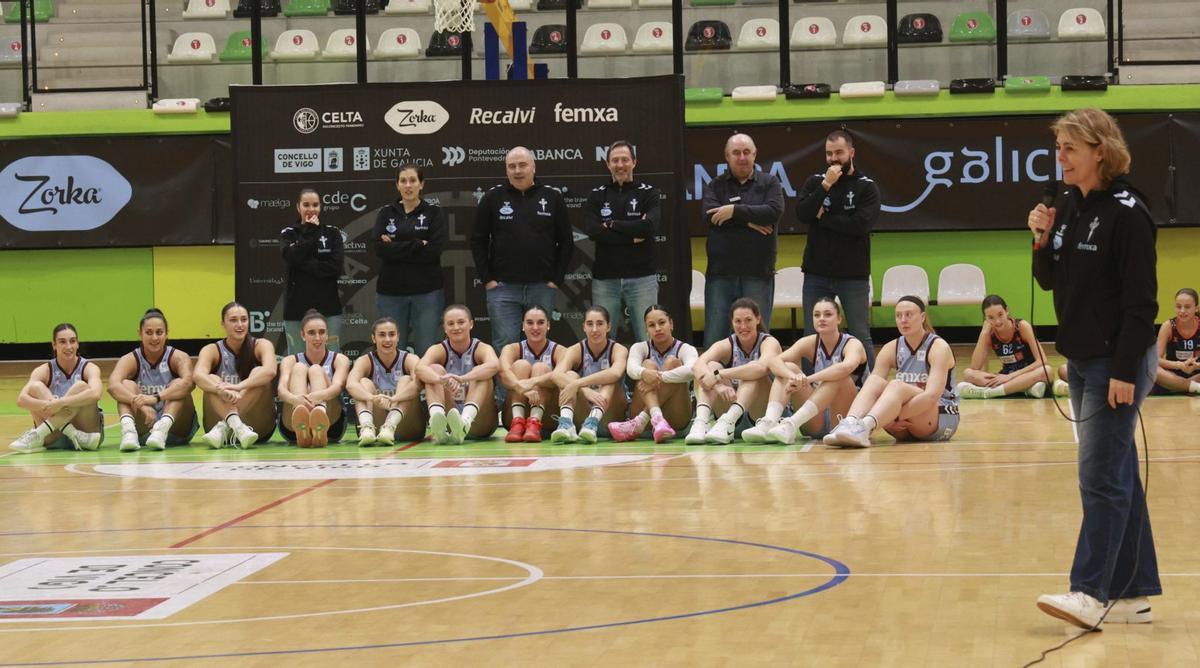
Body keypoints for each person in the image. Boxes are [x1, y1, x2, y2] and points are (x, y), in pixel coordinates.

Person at [1028, 108, 1161, 628]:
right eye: (1058, 148)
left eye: (1069, 149)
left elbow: (1141, 304)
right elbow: (1046, 279)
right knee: (1118, 472)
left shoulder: (1129, 212)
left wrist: (1126, 373)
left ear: (1099, 151)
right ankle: (1133, 593)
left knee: (1099, 478)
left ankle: (1090, 591)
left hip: (1117, 361)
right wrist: (1039, 236)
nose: (1059, 158)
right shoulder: (1067, 202)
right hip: (1080, 359)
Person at [471, 146, 574, 351]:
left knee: (538, 344)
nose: (517, 170)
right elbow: (478, 240)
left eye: (522, 165)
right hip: (503, 288)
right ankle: (505, 386)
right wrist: (488, 279)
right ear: (506, 170)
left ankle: (539, 384)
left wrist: (556, 279)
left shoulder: (552, 197)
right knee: (505, 343)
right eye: (512, 166)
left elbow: (566, 241)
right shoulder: (493, 198)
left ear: (533, 167)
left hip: (542, 287)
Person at [794, 129, 881, 367]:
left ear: (851, 153)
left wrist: (823, 218)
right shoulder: (815, 182)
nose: (834, 158)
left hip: (853, 274)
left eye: (839, 152)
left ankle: (869, 388)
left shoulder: (867, 187)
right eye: (829, 153)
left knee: (861, 334)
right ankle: (806, 389)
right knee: (811, 335)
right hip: (816, 272)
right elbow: (802, 213)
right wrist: (825, 185)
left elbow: (859, 226)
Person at [823, 296, 958, 447]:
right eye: (898, 315)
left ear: (922, 317)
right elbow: (871, 390)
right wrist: (888, 416)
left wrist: (893, 416)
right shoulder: (891, 348)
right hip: (903, 421)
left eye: (909, 314)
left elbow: (932, 396)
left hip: (939, 417)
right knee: (875, 381)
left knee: (895, 385)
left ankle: (865, 426)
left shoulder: (939, 347)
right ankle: (851, 422)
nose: (903, 320)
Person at [742, 297, 868, 445]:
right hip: (815, 418)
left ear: (839, 319)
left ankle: (792, 423)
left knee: (840, 377)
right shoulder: (810, 342)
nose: (821, 319)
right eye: (817, 315)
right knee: (788, 367)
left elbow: (845, 368)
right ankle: (769, 422)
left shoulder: (853, 344)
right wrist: (793, 377)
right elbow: (774, 361)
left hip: (845, 418)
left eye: (828, 314)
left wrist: (808, 379)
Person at [700, 133, 784, 348]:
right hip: (721, 275)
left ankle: (761, 381)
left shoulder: (770, 183)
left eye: (747, 152)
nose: (742, 157)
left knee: (758, 338)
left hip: (758, 273)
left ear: (755, 154)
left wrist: (734, 211)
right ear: (727, 156)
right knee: (715, 337)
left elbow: (773, 211)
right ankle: (713, 380)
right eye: (736, 153)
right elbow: (709, 215)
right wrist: (748, 221)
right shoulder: (716, 185)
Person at [585, 140, 662, 342]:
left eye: (625, 160)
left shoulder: (649, 193)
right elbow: (593, 232)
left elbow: (649, 227)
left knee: (648, 340)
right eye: (615, 160)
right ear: (608, 164)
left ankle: (647, 374)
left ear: (634, 162)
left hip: (642, 278)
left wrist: (612, 225)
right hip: (605, 279)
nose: (620, 165)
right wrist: (633, 234)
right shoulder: (596, 195)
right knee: (601, 341)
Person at [374, 164, 448, 355]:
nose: (408, 185)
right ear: (397, 185)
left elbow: (433, 251)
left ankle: (426, 386)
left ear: (421, 184)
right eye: (403, 181)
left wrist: (395, 247)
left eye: (413, 181)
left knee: (426, 349)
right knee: (393, 351)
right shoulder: (386, 213)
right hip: (391, 293)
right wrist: (416, 245)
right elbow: (379, 249)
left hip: (427, 293)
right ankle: (395, 386)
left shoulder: (434, 213)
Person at [688, 298, 782, 444]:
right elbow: (698, 365)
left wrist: (720, 375)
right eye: (738, 321)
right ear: (732, 322)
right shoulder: (727, 344)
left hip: (760, 418)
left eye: (748, 320)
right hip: (729, 416)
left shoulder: (769, 342)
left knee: (752, 370)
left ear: (758, 319)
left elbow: (760, 368)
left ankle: (730, 419)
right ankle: (701, 422)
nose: (743, 326)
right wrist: (718, 385)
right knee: (712, 365)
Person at [107, 309, 197, 451]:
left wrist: (155, 398)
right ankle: (129, 432)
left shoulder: (178, 356)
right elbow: (112, 386)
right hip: (145, 428)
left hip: (177, 429)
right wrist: (141, 404)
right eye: (149, 332)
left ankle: (162, 429)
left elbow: (189, 383)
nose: (154, 338)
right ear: (140, 334)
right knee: (125, 384)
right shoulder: (131, 359)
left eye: (159, 332)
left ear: (167, 333)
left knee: (178, 385)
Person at [193, 302, 278, 449]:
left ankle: (228, 424)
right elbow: (198, 376)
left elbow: (270, 371)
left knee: (259, 373)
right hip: (216, 424)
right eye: (233, 320)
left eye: (244, 320)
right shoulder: (211, 350)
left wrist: (238, 386)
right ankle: (235, 425)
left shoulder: (262, 345)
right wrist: (220, 389)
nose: (240, 324)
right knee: (212, 380)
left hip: (256, 427)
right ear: (223, 323)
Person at [609, 305, 699, 443]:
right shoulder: (639, 347)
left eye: (662, 322)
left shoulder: (686, 348)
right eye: (651, 325)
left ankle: (643, 420)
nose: (657, 328)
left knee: (672, 363)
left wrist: (660, 377)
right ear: (646, 330)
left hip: (677, 418)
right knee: (647, 365)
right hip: (646, 424)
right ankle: (657, 418)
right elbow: (631, 369)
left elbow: (692, 370)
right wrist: (645, 372)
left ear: (671, 324)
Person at [9, 323, 104, 454]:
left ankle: (38, 434)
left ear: (77, 344)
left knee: (81, 386)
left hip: (87, 433)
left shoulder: (89, 367)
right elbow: (21, 400)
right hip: (54, 437)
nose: (69, 346)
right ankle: (71, 432)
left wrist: (61, 403)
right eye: (62, 342)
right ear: (54, 345)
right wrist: (47, 405)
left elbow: (96, 394)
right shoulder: (44, 370)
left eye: (72, 341)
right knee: (35, 387)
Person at [417, 305, 500, 444]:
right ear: (444, 328)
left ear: (471, 324)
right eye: (450, 323)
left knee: (481, 372)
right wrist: (441, 379)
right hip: (451, 417)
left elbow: (494, 365)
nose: (456, 327)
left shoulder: (482, 348)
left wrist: (463, 378)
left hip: (480, 423)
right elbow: (419, 369)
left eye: (461, 322)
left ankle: (465, 423)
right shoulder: (438, 349)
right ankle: (439, 426)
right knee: (434, 369)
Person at [551, 305, 629, 444]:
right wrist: (584, 390)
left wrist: (578, 384)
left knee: (608, 378)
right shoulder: (575, 349)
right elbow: (556, 375)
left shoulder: (619, 349)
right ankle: (566, 424)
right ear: (584, 327)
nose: (594, 329)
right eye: (590, 324)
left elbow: (615, 373)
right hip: (583, 418)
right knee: (569, 375)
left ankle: (593, 422)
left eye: (600, 324)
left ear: (608, 326)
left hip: (611, 416)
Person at [280, 189, 344, 354]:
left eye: (315, 205)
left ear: (320, 207)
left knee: (332, 354)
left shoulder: (333, 233)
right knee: (297, 357)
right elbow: (292, 258)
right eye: (306, 205)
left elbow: (336, 267)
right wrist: (309, 231)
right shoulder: (289, 233)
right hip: (296, 306)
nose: (311, 209)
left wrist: (303, 264)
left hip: (328, 305)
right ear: (298, 207)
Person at [276, 310, 352, 447]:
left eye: (322, 332)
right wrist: (296, 400)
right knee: (299, 367)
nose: (317, 337)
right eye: (311, 333)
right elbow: (281, 389)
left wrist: (318, 396)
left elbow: (338, 386)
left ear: (327, 334)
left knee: (316, 369)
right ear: (302, 335)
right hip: (292, 427)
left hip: (332, 425)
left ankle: (319, 415)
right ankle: (301, 416)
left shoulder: (340, 359)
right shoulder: (289, 361)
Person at [957, 295, 1053, 399]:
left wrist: (1009, 377)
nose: (997, 321)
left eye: (1000, 315)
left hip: (1028, 373)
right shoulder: (989, 333)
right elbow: (975, 367)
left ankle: (990, 392)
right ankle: (1025, 388)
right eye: (991, 318)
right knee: (968, 373)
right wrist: (983, 333)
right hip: (1006, 375)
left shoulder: (1022, 326)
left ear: (1006, 311)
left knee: (1047, 371)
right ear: (985, 318)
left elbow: (1042, 361)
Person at [347, 317, 424, 447]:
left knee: (406, 380)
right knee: (364, 383)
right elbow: (350, 384)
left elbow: (417, 385)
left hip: (407, 425)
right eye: (382, 335)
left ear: (398, 337)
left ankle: (390, 425)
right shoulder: (365, 360)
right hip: (377, 426)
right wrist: (372, 398)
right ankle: (366, 427)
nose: (387, 339)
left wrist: (394, 399)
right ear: (373, 338)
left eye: (392, 334)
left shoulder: (410, 358)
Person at [497, 305, 565, 444]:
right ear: (523, 326)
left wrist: (532, 383)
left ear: (548, 325)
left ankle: (535, 422)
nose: (535, 327)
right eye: (530, 323)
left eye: (540, 322)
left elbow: (559, 378)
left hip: (548, 416)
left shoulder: (560, 351)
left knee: (540, 367)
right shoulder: (511, 349)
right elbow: (503, 374)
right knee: (520, 365)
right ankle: (518, 422)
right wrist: (521, 387)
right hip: (513, 415)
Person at [1153, 287, 1200, 395]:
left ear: (1196, 308)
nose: (1182, 311)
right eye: (1179, 306)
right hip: (1173, 376)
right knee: (1150, 368)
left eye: (1187, 307)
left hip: (1197, 375)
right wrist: (1179, 365)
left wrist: (1197, 366)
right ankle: (1191, 386)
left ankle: (1185, 386)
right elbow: (1156, 359)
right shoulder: (1168, 326)